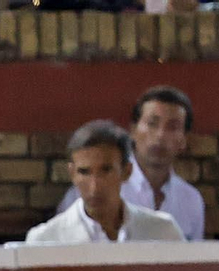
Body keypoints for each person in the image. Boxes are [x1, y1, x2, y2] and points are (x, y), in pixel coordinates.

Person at [57, 86, 205, 241]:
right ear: (133, 130)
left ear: (184, 139)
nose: (160, 135)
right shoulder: (88, 191)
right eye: (152, 123)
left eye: (172, 127)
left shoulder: (191, 200)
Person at [26, 121, 183, 245]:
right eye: (84, 172)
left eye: (106, 171)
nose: (94, 187)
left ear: (126, 172)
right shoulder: (44, 240)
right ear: (72, 173)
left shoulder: (164, 232)